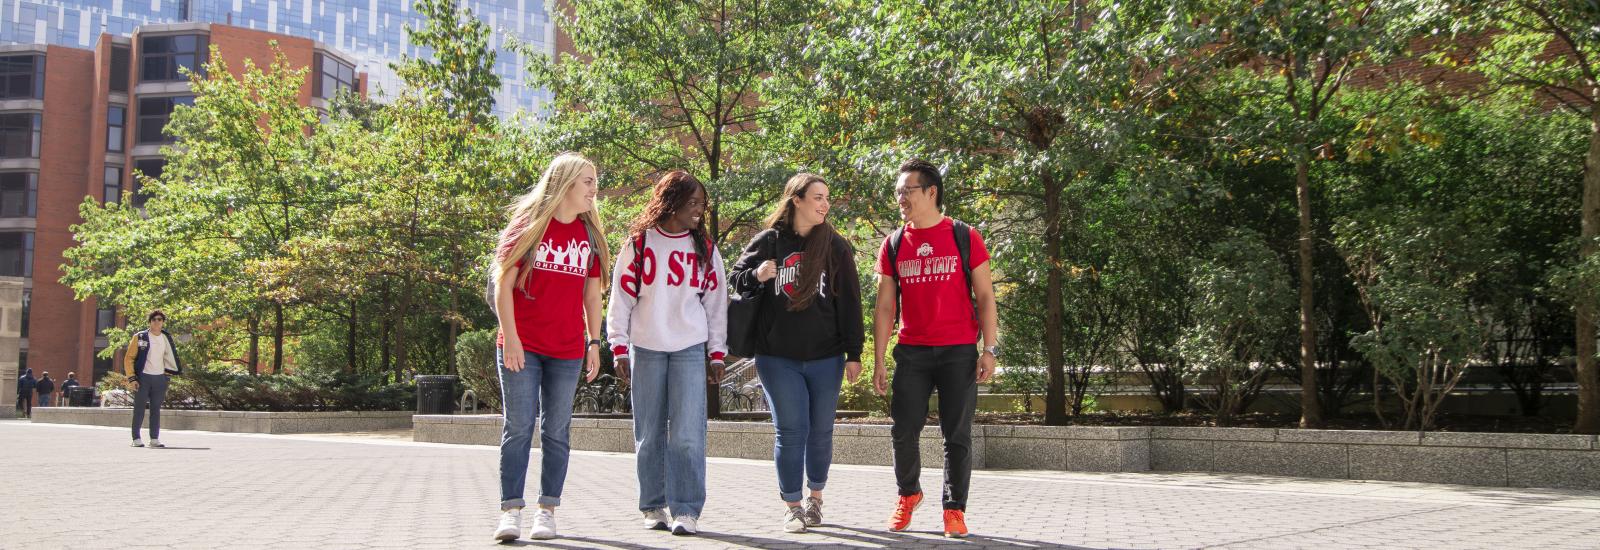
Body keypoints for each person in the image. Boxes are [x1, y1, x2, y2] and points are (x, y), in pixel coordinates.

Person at [728, 173, 863, 533]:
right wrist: (757, 274)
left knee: (820, 431)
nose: (824, 204)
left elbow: (850, 302)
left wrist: (854, 353)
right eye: (817, 197)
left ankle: (815, 499)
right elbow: (736, 278)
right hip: (777, 356)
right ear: (797, 200)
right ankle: (792, 505)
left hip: (826, 356)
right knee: (790, 431)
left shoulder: (835, 246)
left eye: (827, 198)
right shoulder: (769, 241)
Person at [871, 159, 999, 538]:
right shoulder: (893, 244)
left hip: (959, 350)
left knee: (956, 435)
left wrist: (989, 349)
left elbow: (986, 296)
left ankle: (954, 509)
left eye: (907, 190)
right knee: (902, 430)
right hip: (912, 351)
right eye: (898, 192)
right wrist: (878, 358)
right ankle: (908, 493)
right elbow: (884, 307)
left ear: (931, 192)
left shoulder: (965, 236)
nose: (901, 198)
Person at [491, 152, 610, 542]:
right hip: (522, 347)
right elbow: (502, 286)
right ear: (566, 184)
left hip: (567, 350)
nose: (595, 189)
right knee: (520, 427)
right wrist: (511, 338)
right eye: (588, 181)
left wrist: (594, 342)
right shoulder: (528, 227)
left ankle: (547, 510)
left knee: (557, 431)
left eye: (595, 181)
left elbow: (593, 297)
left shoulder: (589, 237)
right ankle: (511, 511)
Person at [606, 170, 729, 536]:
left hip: (689, 348)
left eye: (702, 205)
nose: (699, 211)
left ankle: (687, 509)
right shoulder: (640, 245)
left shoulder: (704, 248)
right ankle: (653, 505)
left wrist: (717, 352)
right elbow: (621, 298)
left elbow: (716, 303)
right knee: (649, 432)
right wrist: (618, 346)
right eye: (692, 203)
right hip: (646, 348)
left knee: (689, 433)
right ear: (671, 201)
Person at [124, 310, 183, 448]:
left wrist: (168, 375)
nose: (157, 321)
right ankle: (136, 438)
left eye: (160, 319)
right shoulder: (140, 337)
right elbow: (129, 358)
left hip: (159, 378)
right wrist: (132, 378)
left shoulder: (166, 338)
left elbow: (169, 357)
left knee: (156, 409)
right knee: (139, 408)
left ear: (163, 322)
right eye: (154, 319)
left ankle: (154, 438)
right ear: (149, 322)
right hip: (143, 377)